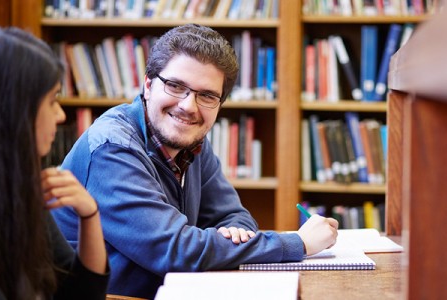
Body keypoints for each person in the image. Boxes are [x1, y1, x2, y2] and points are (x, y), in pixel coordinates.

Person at [51, 24, 338, 298]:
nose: (189, 106)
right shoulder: (113, 148)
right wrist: (297, 244)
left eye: (207, 96)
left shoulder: (191, 142)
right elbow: (176, 251)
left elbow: (236, 219)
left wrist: (223, 240)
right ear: (148, 85)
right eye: (176, 86)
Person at [0, 25, 109, 299]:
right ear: (13, 111)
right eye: (51, 101)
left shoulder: (19, 184)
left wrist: (90, 215)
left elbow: (80, 294)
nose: (60, 115)